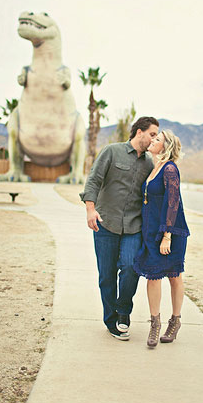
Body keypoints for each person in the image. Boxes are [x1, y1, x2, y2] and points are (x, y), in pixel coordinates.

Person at [80, 117, 159, 340]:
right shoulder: (111, 152)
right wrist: (90, 209)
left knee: (130, 268)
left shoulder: (149, 163)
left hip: (134, 227)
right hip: (106, 223)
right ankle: (111, 319)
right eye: (152, 134)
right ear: (140, 132)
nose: (154, 139)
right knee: (106, 275)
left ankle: (124, 312)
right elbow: (94, 180)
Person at [133, 130, 190, 348]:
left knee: (174, 276)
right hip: (151, 231)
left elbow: (173, 202)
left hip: (170, 232)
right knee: (153, 276)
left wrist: (167, 235)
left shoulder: (170, 169)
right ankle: (154, 323)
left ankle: (175, 321)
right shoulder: (154, 168)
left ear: (165, 147)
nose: (152, 140)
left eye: (157, 139)